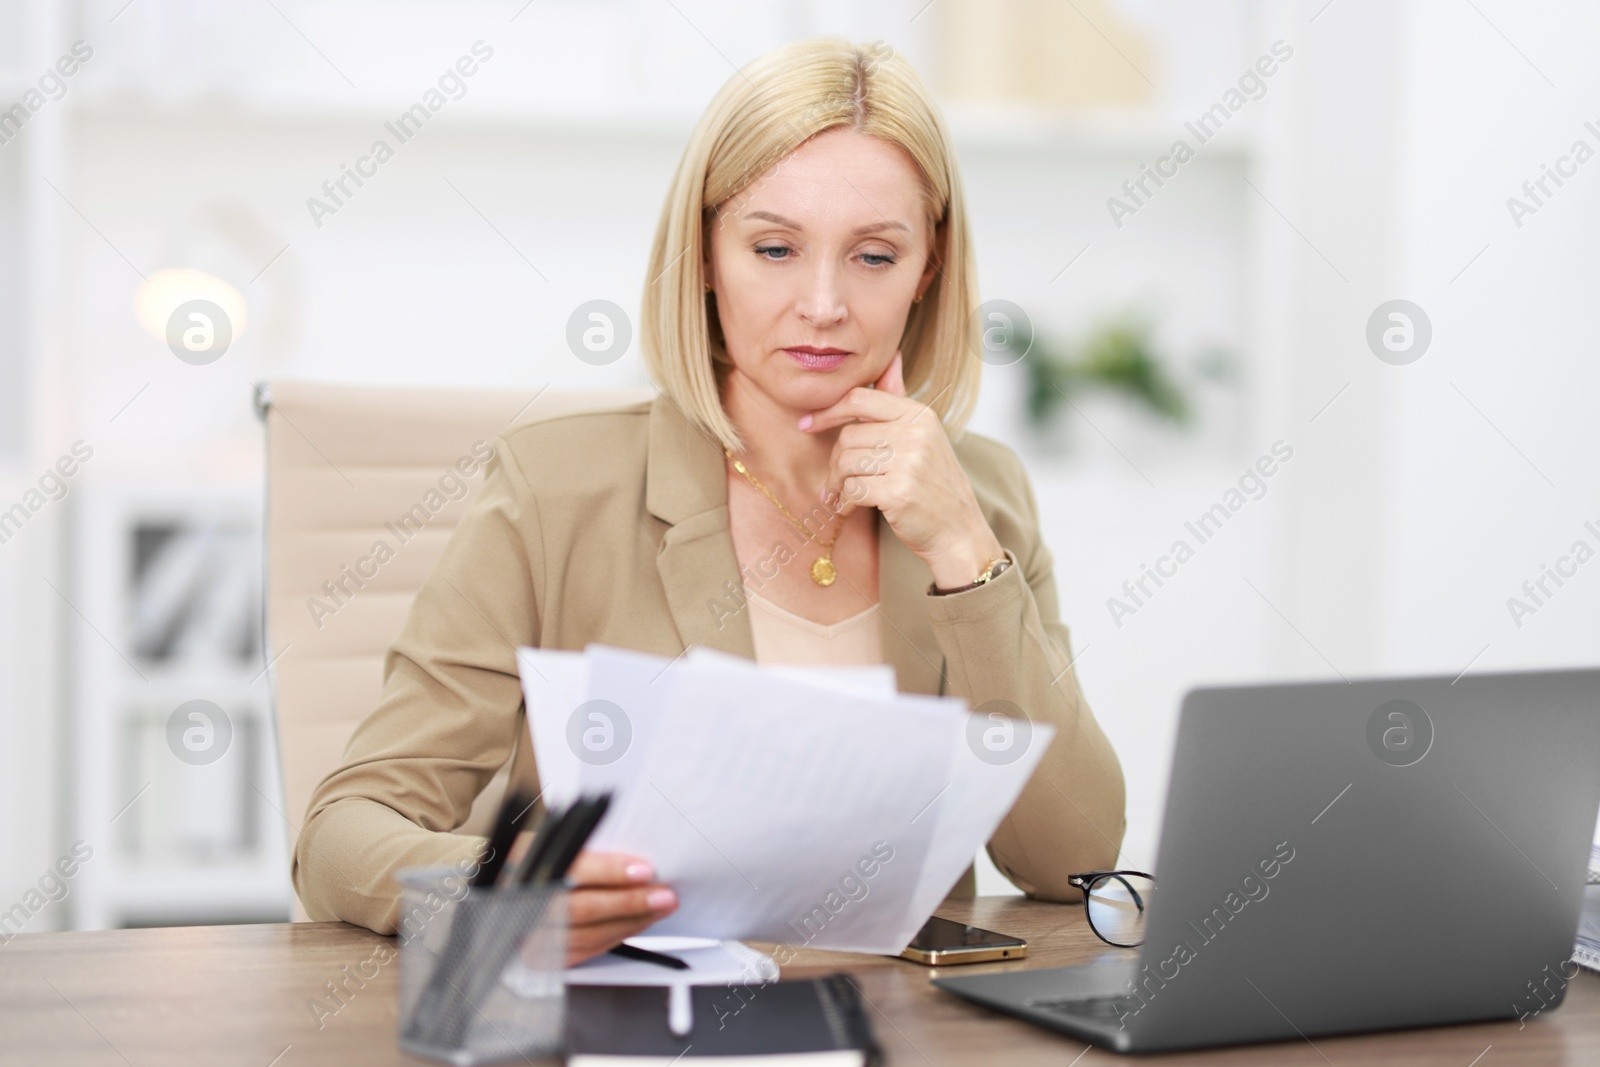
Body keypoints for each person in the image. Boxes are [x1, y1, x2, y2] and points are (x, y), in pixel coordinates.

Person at [293, 37, 1125, 965]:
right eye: (773, 247)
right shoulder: (551, 492)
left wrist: (969, 556)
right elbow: (342, 833)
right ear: (704, 258)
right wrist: (504, 895)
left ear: (928, 270)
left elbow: (1072, 862)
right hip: (638, 1023)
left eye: (874, 256)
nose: (822, 303)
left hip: (901, 1027)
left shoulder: (985, 494)